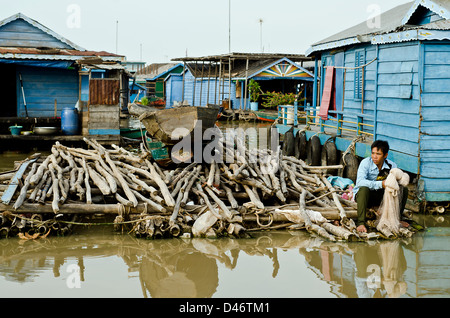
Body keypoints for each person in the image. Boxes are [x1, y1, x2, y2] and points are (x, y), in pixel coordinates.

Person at [353, 140, 409, 233]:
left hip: (382, 197)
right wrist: (381, 184)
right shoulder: (365, 163)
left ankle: (397, 219)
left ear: (385, 155)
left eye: (378, 154)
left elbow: (397, 183)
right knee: (363, 189)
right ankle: (361, 223)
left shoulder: (392, 166)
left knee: (403, 189)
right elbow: (359, 182)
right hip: (365, 197)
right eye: (373, 153)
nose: (374, 157)